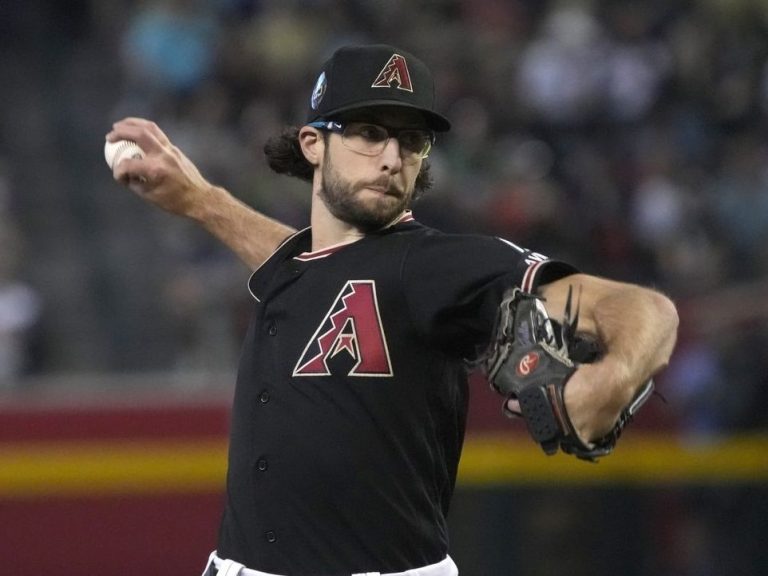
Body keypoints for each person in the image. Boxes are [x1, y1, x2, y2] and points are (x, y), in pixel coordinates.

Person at [107, 44, 678, 576]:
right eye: (368, 132)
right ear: (313, 144)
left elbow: (643, 308)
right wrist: (201, 201)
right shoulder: (304, 266)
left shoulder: (435, 265)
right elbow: (308, 261)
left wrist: (613, 377)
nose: (391, 157)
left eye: (411, 141)